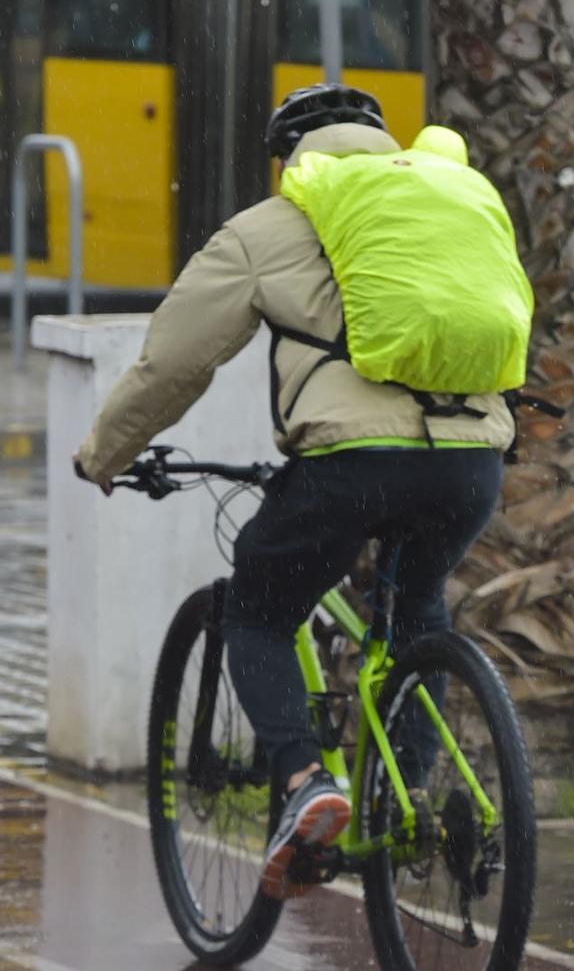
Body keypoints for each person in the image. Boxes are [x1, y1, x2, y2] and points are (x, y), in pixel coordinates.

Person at [74, 84, 521, 902]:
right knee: (419, 606)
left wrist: (106, 453)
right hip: (470, 458)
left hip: (352, 462)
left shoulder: (268, 226)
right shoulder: (444, 200)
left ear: (287, 162)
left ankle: (304, 780)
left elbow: (174, 363)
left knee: (258, 604)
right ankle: (405, 800)